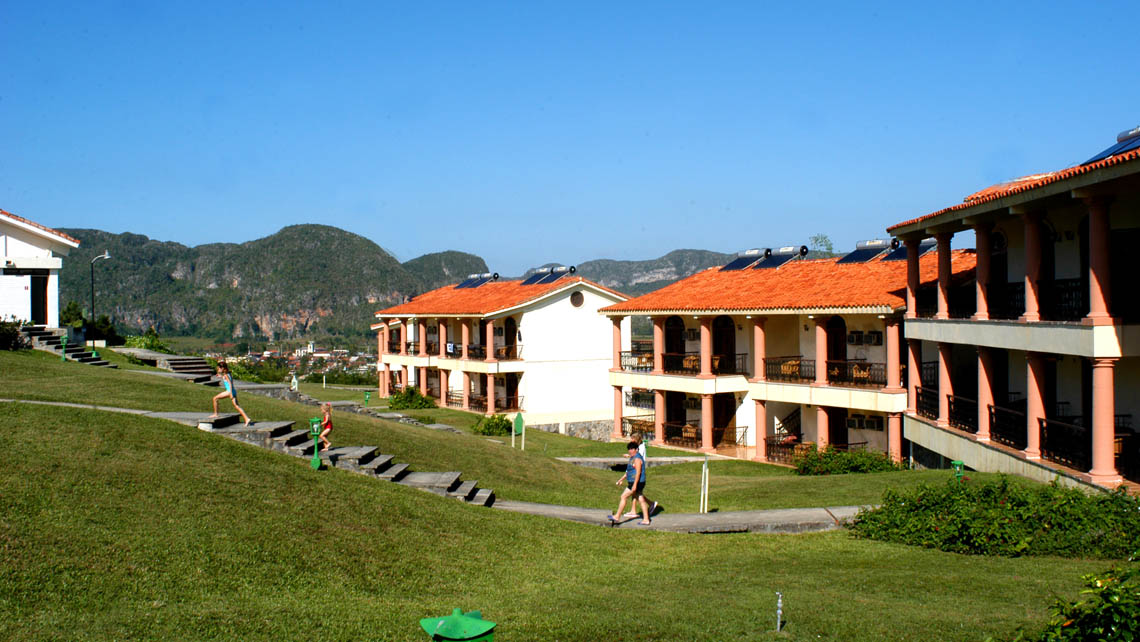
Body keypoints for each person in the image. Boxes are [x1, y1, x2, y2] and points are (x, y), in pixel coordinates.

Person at [610, 441, 651, 525]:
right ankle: (646, 519)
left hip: (637, 482)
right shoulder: (633, 457)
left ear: (636, 449)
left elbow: (638, 472)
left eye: (632, 449)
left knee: (623, 496)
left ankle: (617, 516)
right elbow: (629, 471)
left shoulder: (637, 459)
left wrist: (635, 485)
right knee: (641, 499)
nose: (630, 451)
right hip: (636, 482)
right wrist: (621, 479)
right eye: (629, 449)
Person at [623, 433, 658, 518]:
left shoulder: (641, 447)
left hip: (638, 473)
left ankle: (641, 513)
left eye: (633, 439)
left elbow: (638, 459)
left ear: (637, 439)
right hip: (635, 472)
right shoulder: (638, 447)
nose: (631, 441)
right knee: (637, 494)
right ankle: (640, 509)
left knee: (636, 493)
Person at [210, 361, 252, 426]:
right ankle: (247, 418)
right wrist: (220, 376)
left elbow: (229, 384)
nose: (218, 370)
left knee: (215, 398)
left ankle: (216, 414)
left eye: (219, 368)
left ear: (223, 368)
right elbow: (227, 379)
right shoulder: (228, 374)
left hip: (229, 391)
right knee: (237, 406)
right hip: (233, 391)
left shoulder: (226, 375)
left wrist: (231, 393)